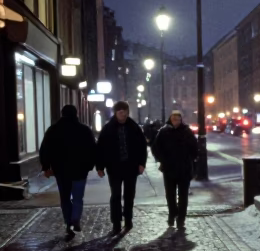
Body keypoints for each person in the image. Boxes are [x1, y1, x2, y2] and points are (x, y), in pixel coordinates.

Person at [39, 105, 97, 238]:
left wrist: (46, 167)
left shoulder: (53, 130)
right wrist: (90, 165)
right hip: (80, 170)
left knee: (65, 198)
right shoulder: (84, 130)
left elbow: (45, 149)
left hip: (61, 170)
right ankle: (75, 218)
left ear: (62, 114)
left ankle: (68, 222)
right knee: (77, 197)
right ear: (76, 114)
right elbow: (93, 149)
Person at [95, 100, 147, 234]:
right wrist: (100, 167)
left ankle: (128, 219)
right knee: (116, 195)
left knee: (129, 195)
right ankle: (116, 222)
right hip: (114, 168)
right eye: (120, 112)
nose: (122, 114)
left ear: (128, 112)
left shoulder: (134, 127)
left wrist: (142, 163)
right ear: (116, 113)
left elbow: (142, 147)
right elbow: (100, 148)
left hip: (131, 167)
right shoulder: (108, 128)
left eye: (124, 111)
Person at [151, 109, 198, 230]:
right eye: (173, 119)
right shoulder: (164, 132)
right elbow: (155, 147)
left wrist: (190, 160)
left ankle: (181, 219)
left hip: (184, 169)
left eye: (178, 119)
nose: (175, 121)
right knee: (170, 195)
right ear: (170, 119)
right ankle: (172, 214)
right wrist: (161, 159)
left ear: (181, 120)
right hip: (169, 168)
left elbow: (195, 148)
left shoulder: (187, 132)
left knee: (183, 196)